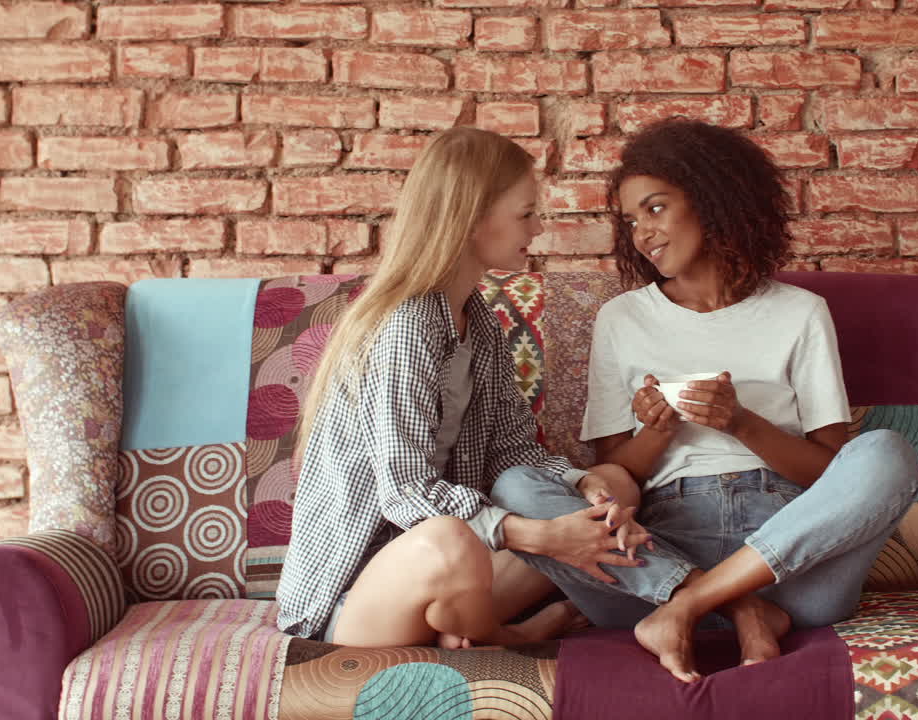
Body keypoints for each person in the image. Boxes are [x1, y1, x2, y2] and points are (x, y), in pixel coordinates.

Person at [491, 119, 918, 681]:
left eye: (655, 208)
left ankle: (693, 608)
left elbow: (831, 471)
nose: (642, 233)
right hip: (656, 557)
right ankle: (740, 608)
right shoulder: (622, 319)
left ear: (713, 198)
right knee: (516, 485)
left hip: (791, 565)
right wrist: (658, 434)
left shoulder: (801, 312)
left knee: (888, 451)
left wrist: (742, 423)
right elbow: (612, 477)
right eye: (630, 220)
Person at [275, 127, 647, 649]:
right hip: (355, 601)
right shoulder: (406, 326)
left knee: (617, 484)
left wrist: (586, 486)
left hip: (458, 580)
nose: (538, 227)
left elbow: (512, 453)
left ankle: (463, 626)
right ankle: (503, 634)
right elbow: (404, 493)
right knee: (449, 538)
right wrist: (542, 534)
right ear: (473, 218)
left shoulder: (482, 323)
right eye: (526, 213)